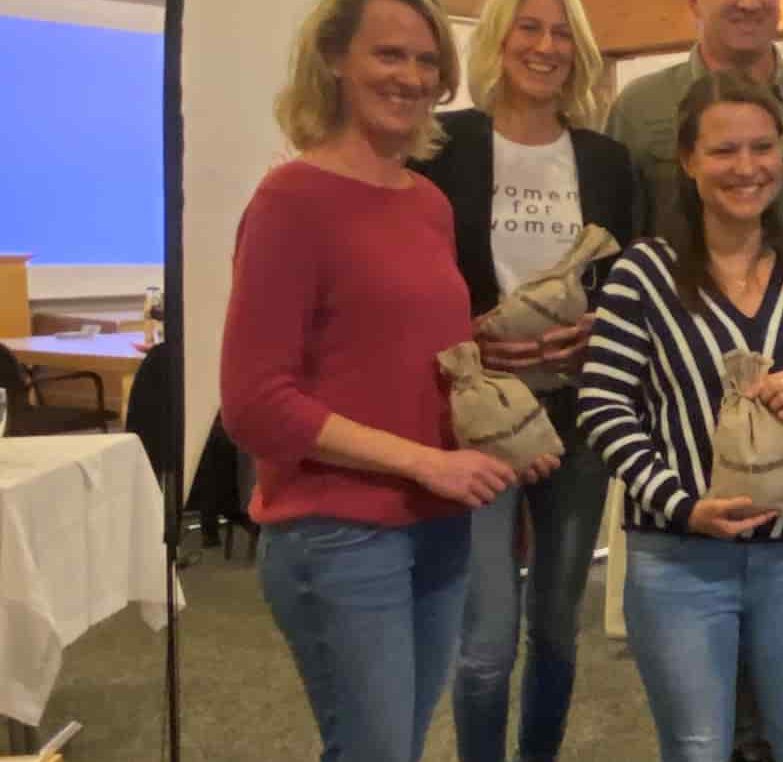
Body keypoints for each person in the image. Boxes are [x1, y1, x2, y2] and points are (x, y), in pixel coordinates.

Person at [219, 1, 557, 759]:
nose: (410, 77)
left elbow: (418, 356)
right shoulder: (291, 201)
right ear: (336, 60)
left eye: (427, 61)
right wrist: (424, 461)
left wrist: (505, 423)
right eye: (389, 56)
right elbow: (254, 404)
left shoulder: (427, 204)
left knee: (391, 747)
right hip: (338, 532)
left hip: (437, 523)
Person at [578, 71, 783, 762]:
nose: (747, 168)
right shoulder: (641, 275)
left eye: (762, 147)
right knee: (699, 749)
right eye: (724, 150)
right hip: (677, 561)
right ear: (688, 160)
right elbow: (604, 405)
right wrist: (681, 505)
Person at [410, 0, 635, 759]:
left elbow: (632, 282)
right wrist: (461, 332)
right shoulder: (445, 146)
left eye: (562, 32)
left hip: (579, 413)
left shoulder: (607, 160)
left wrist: (599, 327)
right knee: (486, 640)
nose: (546, 46)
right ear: (499, 42)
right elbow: (410, 273)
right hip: (477, 415)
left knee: (556, 629)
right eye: (529, 28)